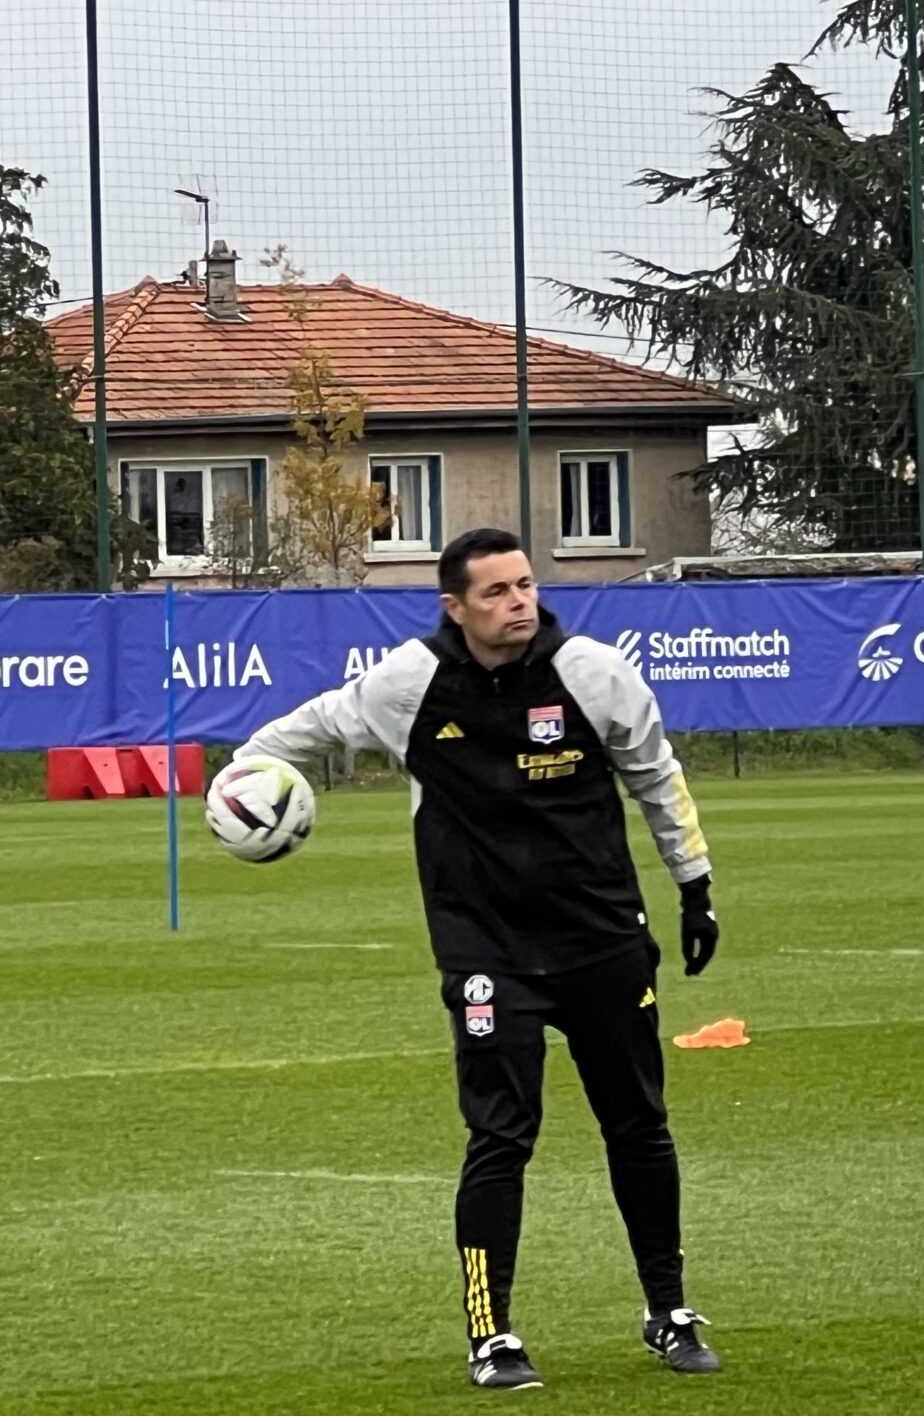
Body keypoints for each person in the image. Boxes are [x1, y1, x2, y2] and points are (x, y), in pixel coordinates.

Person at [233, 527, 722, 1390]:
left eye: (525, 584)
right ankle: (491, 1335)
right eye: (495, 592)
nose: (518, 602)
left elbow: (657, 776)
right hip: (487, 949)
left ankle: (668, 1311)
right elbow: (307, 729)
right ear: (454, 607)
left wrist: (694, 885)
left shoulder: (596, 674)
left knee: (639, 1127)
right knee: (500, 1137)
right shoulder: (410, 684)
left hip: (603, 941)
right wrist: (246, 776)